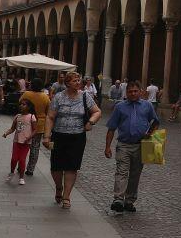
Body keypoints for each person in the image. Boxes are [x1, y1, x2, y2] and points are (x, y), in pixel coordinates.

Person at [43, 71, 101, 210]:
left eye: (79, 80)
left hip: (77, 136)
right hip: (59, 135)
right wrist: (46, 136)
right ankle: (58, 187)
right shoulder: (58, 97)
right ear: (68, 83)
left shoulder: (85, 96)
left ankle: (66, 196)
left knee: (72, 166)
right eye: (75, 80)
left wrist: (91, 122)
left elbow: (97, 111)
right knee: (56, 166)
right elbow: (50, 117)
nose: (78, 82)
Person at [105, 80, 159, 213]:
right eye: (130, 91)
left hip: (141, 145)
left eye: (136, 91)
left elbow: (155, 122)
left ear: (140, 91)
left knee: (135, 174)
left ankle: (129, 200)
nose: (133, 94)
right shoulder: (120, 107)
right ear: (126, 92)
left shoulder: (147, 106)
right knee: (122, 172)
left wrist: (150, 133)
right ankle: (118, 199)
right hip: (124, 144)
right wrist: (107, 147)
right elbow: (111, 128)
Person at [19, 78, 50, 177]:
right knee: (35, 147)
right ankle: (30, 169)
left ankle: (20, 166)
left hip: (26, 122)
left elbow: (20, 103)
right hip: (39, 124)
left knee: (22, 145)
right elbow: (48, 110)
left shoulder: (26, 94)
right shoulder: (45, 97)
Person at [2, 99, 36, 185]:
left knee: (22, 160)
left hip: (26, 143)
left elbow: (35, 130)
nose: (21, 106)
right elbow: (13, 128)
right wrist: (6, 133)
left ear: (28, 107)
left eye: (24, 104)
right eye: (20, 104)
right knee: (14, 159)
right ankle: (12, 172)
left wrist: (29, 137)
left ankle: (21, 177)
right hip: (17, 141)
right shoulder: (17, 116)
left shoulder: (31, 117)